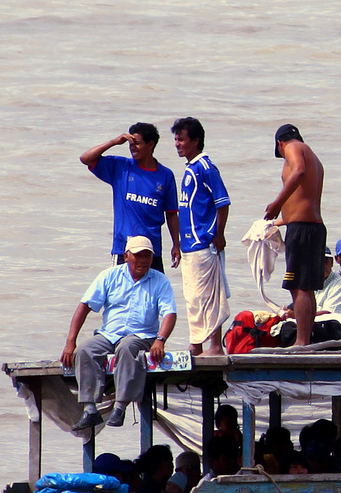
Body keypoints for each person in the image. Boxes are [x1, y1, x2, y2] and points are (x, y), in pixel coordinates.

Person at [60, 235, 178, 430]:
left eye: (147, 256)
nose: (143, 260)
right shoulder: (109, 276)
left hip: (142, 336)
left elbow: (170, 314)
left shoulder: (160, 281)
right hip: (109, 334)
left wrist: (160, 340)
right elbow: (84, 307)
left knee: (127, 346)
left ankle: (120, 406)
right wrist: (70, 342)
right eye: (138, 255)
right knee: (84, 350)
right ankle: (89, 409)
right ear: (126, 256)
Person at [168, 117, 231, 355]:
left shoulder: (206, 167)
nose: (177, 144)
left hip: (204, 242)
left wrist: (218, 233)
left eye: (182, 139)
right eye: (175, 139)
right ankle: (196, 343)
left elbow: (222, 202)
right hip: (188, 246)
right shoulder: (189, 169)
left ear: (195, 140)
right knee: (193, 297)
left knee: (210, 296)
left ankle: (215, 346)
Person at [80, 122, 179, 271]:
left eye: (137, 143)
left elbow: (171, 214)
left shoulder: (165, 175)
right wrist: (114, 142)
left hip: (151, 251)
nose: (132, 147)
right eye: (130, 143)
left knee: (154, 293)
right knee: (120, 294)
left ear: (150, 144)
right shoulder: (120, 167)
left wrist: (176, 245)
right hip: (124, 250)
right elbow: (86, 158)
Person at [264, 124, 328, 347]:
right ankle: (306, 339)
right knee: (306, 286)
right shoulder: (315, 158)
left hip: (302, 229)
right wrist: (277, 221)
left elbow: (298, 171)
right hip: (311, 227)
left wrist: (276, 203)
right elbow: (304, 199)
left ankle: (301, 342)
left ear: (280, 144)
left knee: (298, 286)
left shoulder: (293, 147)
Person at [315, 248, 341, 316]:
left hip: (332, 325)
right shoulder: (308, 283)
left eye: (325, 261)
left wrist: (299, 315)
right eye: (318, 261)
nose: (322, 266)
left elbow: (329, 315)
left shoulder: (340, 284)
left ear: (332, 263)